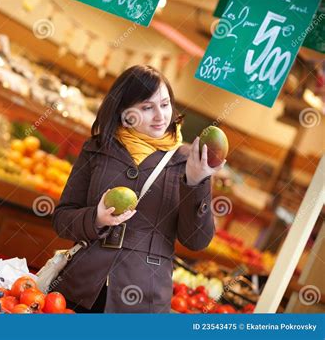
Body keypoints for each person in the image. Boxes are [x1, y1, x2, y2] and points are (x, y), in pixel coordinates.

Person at [51, 65, 225, 313]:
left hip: (144, 300)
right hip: (80, 289)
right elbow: (62, 219)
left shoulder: (186, 160)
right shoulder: (98, 148)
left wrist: (196, 182)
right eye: (147, 108)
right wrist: (96, 219)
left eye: (165, 105)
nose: (160, 116)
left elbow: (196, 241)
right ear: (124, 111)